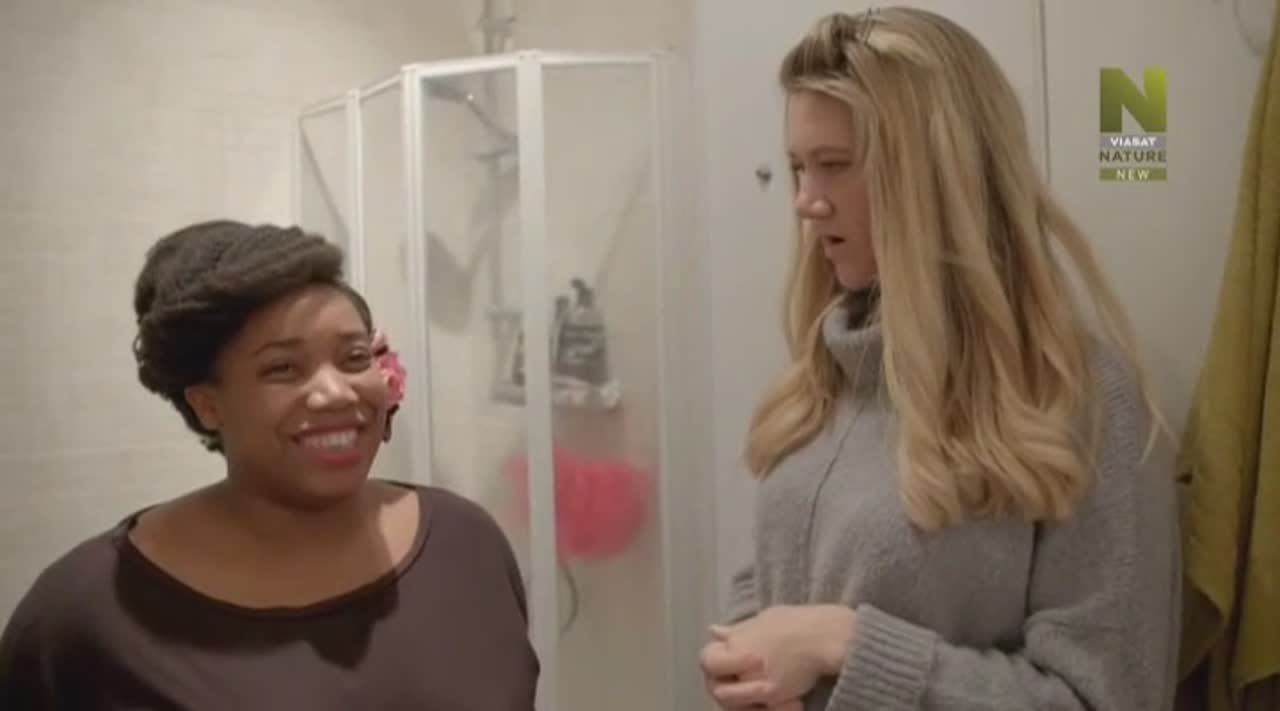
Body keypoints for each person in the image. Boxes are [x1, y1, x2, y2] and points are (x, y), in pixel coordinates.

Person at [699, 8, 1181, 711]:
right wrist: (746, 649)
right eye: (799, 167)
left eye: (833, 166)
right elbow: (781, 579)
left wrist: (849, 645)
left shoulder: (1077, 399)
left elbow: (1107, 697)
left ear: (936, 177)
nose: (805, 202)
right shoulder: (822, 379)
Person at [0, 220, 539, 710]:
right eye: (283, 368)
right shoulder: (89, 613)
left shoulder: (466, 544)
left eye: (354, 358)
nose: (336, 392)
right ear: (206, 405)